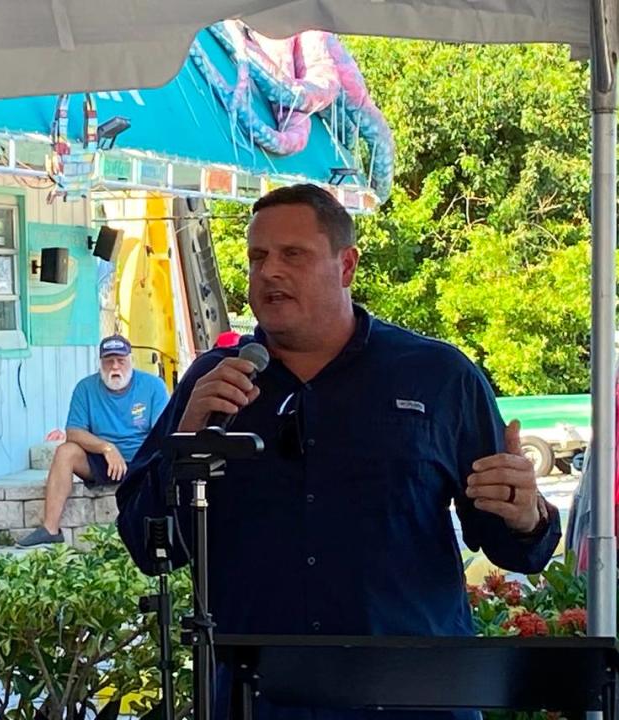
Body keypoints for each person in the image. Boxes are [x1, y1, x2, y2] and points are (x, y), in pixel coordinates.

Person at [116, 185, 561, 720]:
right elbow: (150, 549)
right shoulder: (211, 387)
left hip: (415, 701)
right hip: (262, 703)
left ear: (346, 265)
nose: (270, 272)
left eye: (293, 255)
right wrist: (182, 448)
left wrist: (525, 515)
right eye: (258, 257)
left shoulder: (439, 377)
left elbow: (516, 550)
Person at [18, 334, 169, 547]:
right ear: (100, 363)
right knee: (65, 451)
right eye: (109, 361)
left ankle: (163, 530)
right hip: (103, 461)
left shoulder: (153, 386)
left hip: (141, 460)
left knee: (165, 456)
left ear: (131, 361)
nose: (115, 366)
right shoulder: (85, 388)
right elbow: (73, 431)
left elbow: (162, 431)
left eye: (121, 360)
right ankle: (50, 528)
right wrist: (107, 448)